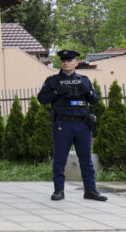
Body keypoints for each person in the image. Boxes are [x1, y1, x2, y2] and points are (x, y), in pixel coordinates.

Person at [37, 50, 107, 202]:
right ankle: (59, 190)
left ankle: (90, 190)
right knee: (60, 159)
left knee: (86, 160)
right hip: (63, 124)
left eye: (69, 60)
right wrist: (56, 92)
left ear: (76, 62)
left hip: (82, 124)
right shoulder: (53, 81)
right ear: (61, 63)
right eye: (63, 60)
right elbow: (41, 99)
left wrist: (87, 91)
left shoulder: (84, 80)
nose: (66, 63)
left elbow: (95, 100)